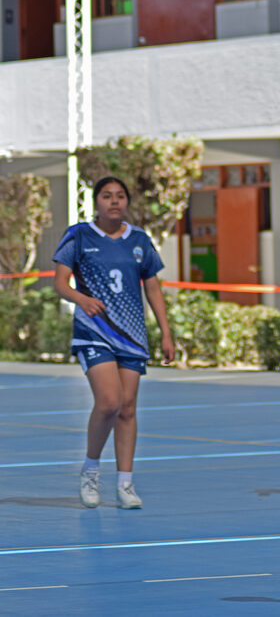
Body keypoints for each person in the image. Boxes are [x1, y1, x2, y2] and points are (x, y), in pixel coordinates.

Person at [52, 176, 175, 509]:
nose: (114, 201)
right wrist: (81, 299)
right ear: (96, 202)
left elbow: (152, 287)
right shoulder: (79, 235)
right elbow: (60, 283)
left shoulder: (139, 240)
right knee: (109, 402)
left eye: (120, 196)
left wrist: (165, 331)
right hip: (94, 330)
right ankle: (91, 469)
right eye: (107, 196)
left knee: (128, 408)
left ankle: (125, 483)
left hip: (132, 335)